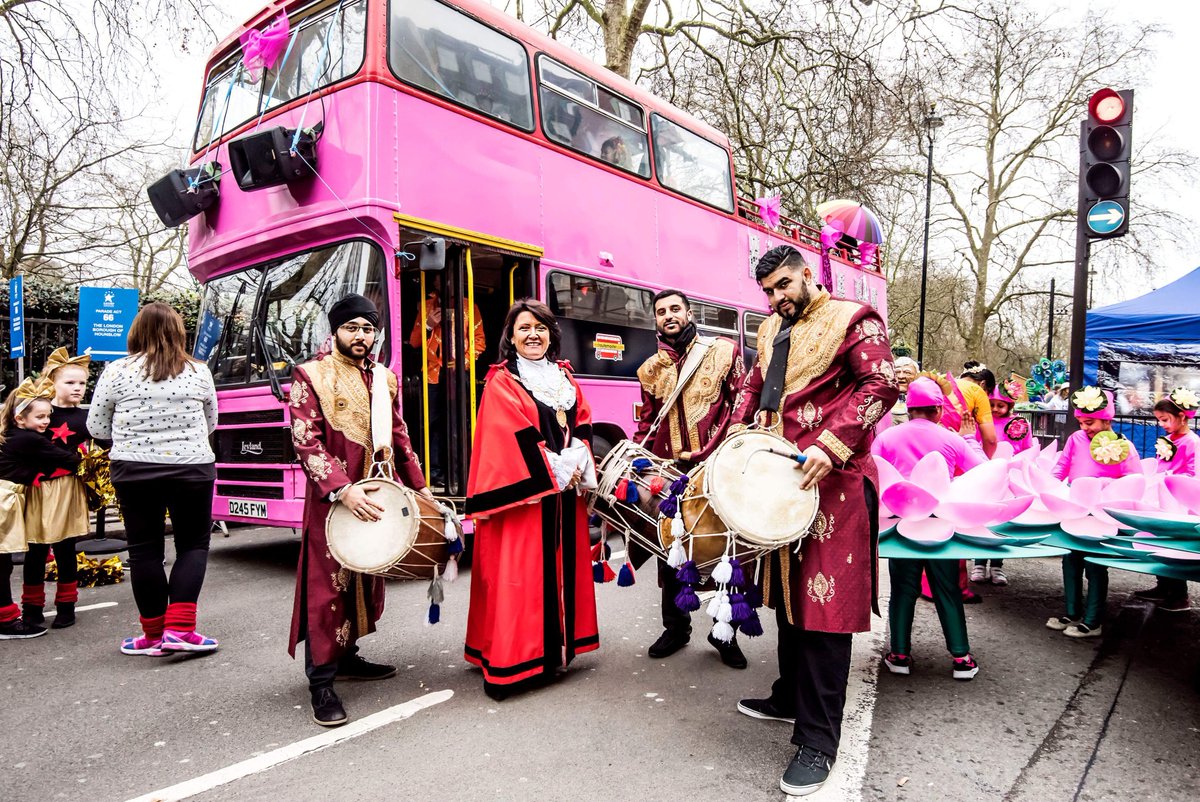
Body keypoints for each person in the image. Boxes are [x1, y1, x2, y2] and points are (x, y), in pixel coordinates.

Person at [729, 245, 898, 797]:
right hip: (780, 483)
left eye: (784, 285)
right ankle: (788, 696)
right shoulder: (768, 330)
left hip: (837, 483)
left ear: (806, 274)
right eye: (768, 291)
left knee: (824, 610)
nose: (777, 298)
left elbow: (882, 385)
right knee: (787, 597)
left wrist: (831, 443)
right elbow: (754, 388)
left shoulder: (855, 318)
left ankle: (818, 741)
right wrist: (734, 437)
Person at [287, 294, 432, 727]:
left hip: (378, 495)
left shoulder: (385, 378)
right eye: (352, 327)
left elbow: (400, 437)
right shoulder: (311, 375)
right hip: (333, 502)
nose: (361, 336)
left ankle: (347, 657)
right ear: (335, 331)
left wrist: (421, 490)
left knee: (363, 582)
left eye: (368, 329)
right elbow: (305, 440)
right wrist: (342, 490)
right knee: (327, 587)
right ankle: (321, 682)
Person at [464, 299, 599, 701]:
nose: (533, 335)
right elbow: (507, 435)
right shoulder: (502, 381)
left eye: (540, 328)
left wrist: (577, 455)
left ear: (551, 334)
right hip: (528, 499)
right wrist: (555, 467)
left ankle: (553, 653)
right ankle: (517, 662)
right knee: (521, 577)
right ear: (511, 336)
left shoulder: (565, 376)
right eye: (524, 328)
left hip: (562, 497)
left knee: (558, 571)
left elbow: (583, 420)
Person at [88, 303, 220, 657]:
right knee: (193, 546)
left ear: (136, 332)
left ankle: (152, 635)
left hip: (134, 470)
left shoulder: (116, 371)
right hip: (191, 469)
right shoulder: (199, 371)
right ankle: (180, 630)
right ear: (179, 332)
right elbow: (212, 422)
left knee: (144, 550)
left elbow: (96, 427)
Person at [633, 288, 745, 668]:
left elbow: (740, 407)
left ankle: (724, 633)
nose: (669, 315)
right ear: (655, 319)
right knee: (671, 548)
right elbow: (647, 423)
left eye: (675, 309)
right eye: (661, 311)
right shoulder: (649, 370)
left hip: (717, 470)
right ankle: (676, 628)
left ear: (689, 312)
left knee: (726, 552)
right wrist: (638, 459)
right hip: (671, 475)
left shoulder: (724, 352)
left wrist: (726, 453)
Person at [872, 377, 985, 680]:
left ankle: (899, 655)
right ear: (938, 410)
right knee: (948, 590)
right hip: (941, 526)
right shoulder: (951, 439)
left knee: (902, 591)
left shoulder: (887, 437)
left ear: (908, 410)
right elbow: (984, 472)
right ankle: (961, 658)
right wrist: (969, 438)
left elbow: (871, 476)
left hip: (900, 526)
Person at [1046, 387, 1140, 639]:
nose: (1084, 427)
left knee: (1095, 564)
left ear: (1106, 420)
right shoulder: (1076, 439)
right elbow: (1062, 466)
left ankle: (1093, 620)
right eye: (1081, 422)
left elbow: (1135, 480)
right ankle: (1072, 612)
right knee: (1070, 559)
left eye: (1090, 422)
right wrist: (1048, 487)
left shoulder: (1124, 446)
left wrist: (1107, 486)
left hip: (1101, 515)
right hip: (1074, 509)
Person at [20, 349, 94, 629]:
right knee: (35, 550)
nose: (77, 388)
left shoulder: (85, 418)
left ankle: (66, 606)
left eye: (82, 383)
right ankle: (31, 608)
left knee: (66, 549)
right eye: (70, 382)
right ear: (52, 382)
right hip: (37, 488)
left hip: (66, 489)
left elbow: (104, 445)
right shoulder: (39, 411)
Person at [0, 378, 73, 639]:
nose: (46, 422)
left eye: (48, 416)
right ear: (20, 418)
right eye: (40, 416)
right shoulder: (29, 439)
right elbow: (70, 459)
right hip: (4, 500)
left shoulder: (10, 433)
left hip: (7, 496)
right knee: (2, 563)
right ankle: (6, 622)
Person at [407, 281, 485, 487]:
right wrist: (428, 325)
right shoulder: (426, 306)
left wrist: (462, 364)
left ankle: (462, 472)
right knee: (432, 423)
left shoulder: (470, 306)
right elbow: (414, 342)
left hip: (459, 373)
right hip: (432, 373)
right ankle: (435, 473)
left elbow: (479, 341)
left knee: (461, 421)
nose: (446, 283)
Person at [1131, 388, 1199, 612]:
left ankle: (1179, 595)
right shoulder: (1168, 439)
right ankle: (1163, 585)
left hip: (1179, 501)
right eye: (1159, 420)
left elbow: (1194, 473)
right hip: (1161, 495)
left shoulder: (1192, 442)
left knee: (1174, 544)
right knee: (1158, 541)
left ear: (1182, 416)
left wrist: (1171, 478)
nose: (1162, 424)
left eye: (1165, 419)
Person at [970, 382, 1033, 586]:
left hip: (1009, 477)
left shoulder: (1020, 424)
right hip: (986, 474)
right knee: (983, 518)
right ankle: (979, 562)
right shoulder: (982, 422)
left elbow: (1027, 449)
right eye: (992, 404)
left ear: (1010, 405)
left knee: (1002, 520)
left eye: (1001, 405)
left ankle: (997, 564)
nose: (996, 409)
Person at [890, 356, 919, 426]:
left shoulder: (920, 399)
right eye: (897, 372)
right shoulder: (884, 397)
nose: (901, 376)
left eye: (907, 372)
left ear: (916, 376)